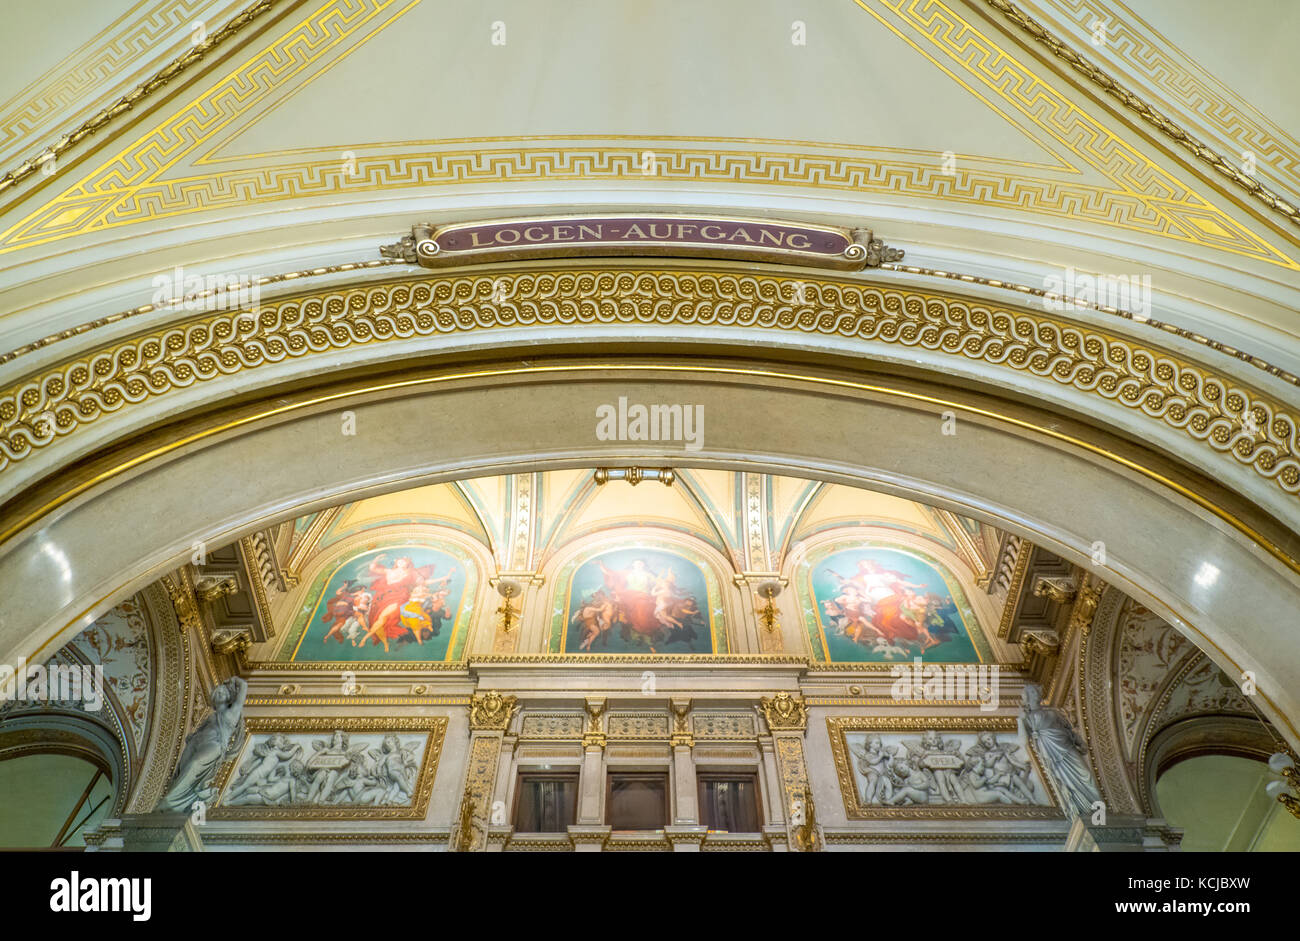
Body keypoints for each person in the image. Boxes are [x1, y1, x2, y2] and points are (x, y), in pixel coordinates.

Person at [156, 677, 247, 812]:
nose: (220, 692)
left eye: (223, 691)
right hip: (197, 742)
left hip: (214, 745)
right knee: (182, 772)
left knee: (195, 765)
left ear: (229, 697)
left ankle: (170, 801)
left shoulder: (232, 713)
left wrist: (234, 679)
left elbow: (244, 685)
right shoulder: (214, 714)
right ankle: (172, 801)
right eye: (218, 691)